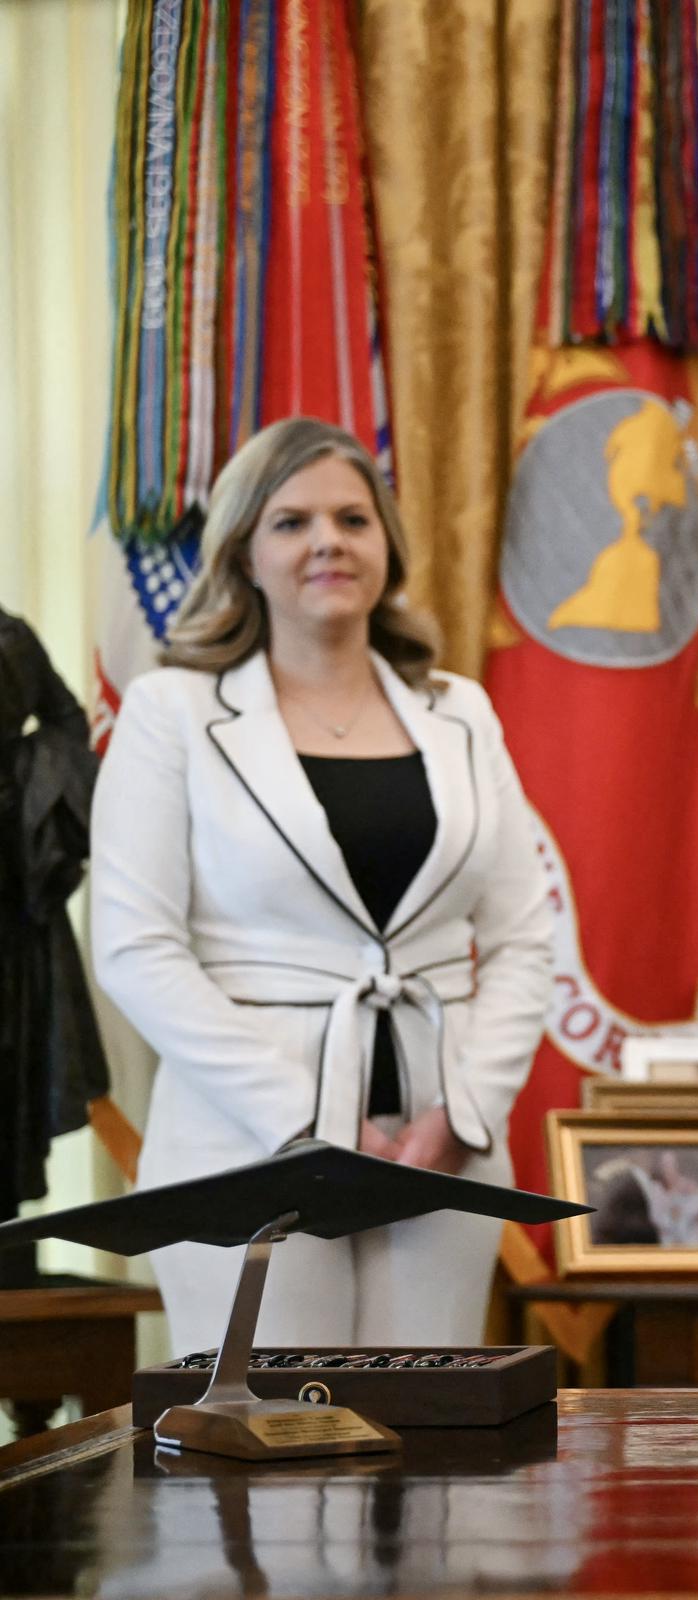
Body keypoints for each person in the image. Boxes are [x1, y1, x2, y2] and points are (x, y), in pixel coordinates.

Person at [90, 417, 552, 1354]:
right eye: (292, 522)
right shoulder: (171, 710)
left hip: (441, 1145)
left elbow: (523, 938)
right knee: (264, 1467)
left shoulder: (460, 712)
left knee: (432, 1456)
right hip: (245, 1142)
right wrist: (311, 1119)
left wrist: (463, 1114)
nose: (329, 542)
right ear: (245, 554)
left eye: (354, 518)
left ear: (388, 546)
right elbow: (135, 948)